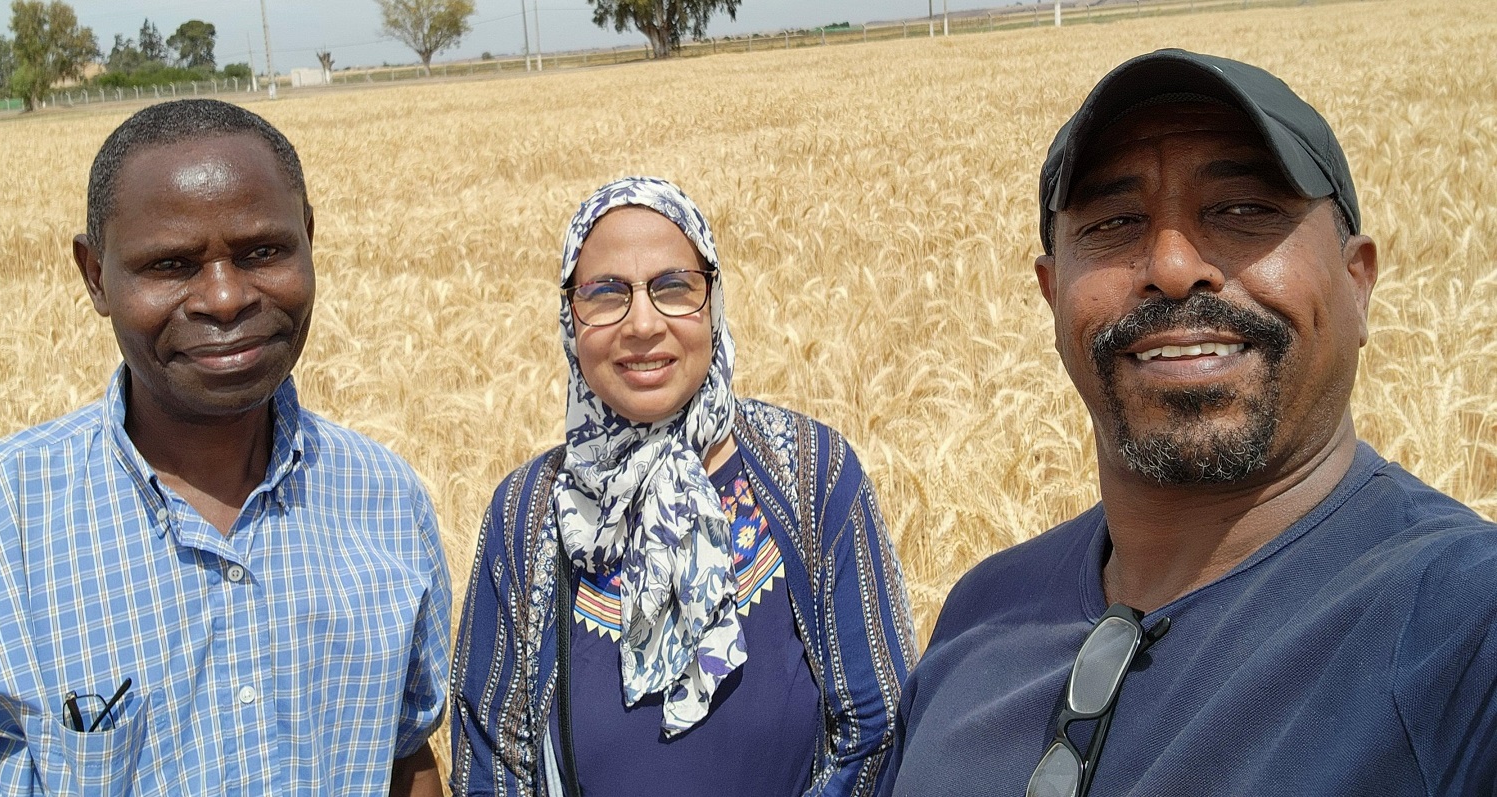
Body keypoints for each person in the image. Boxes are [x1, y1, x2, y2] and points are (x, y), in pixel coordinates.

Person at [884, 49, 1497, 797]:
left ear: (1357, 280)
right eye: (1115, 222)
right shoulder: (981, 611)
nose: (1173, 266)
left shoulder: (1460, 625)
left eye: (1243, 211)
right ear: (1053, 297)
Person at [0, 99, 451, 796]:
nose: (225, 298)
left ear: (310, 239)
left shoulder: (384, 496)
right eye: (170, 264)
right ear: (95, 275)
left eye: (263, 251)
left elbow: (404, 756)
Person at [448, 176, 917, 796]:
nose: (642, 323)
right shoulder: (528, 512)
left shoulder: (811, 473)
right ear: (570, 316)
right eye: (605, 293)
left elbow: (878, 724)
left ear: (713, 302)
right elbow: (491, 760)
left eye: (673, 288)